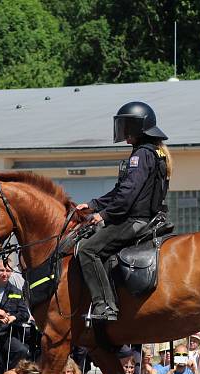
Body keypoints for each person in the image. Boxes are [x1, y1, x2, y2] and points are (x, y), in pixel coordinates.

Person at [74, 101, 171, 321]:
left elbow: (127, 194)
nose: (125, 133)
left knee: (88, 250)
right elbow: (122, 189)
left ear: (139, 128)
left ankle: (104, 306)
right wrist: (94, 205)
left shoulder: (140, 155)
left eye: (128, 127)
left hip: (135, 220)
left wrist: (104, 215)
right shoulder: (153, 152)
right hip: (147, 218)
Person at [0, 260, 31, 374]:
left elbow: (24, 314)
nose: (5, 274)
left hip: (5, 333)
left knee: (21, 350)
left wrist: (14, 317)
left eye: (8, 271)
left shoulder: (16, 291)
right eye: (2, 270)